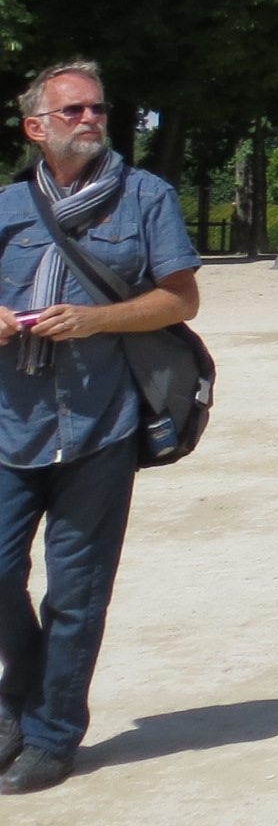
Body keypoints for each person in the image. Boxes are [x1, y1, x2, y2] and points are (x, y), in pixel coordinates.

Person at [0, 61, 202, 791]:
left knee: (76, 592)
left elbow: (181, 300)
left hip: (100, 424)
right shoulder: (6, 206)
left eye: (98, 109)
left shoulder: (147, 196)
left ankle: (52, 734)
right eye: (73, 110)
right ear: (36, 127)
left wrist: (96, 319)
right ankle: (21, 696)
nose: (90, 119)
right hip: (9, 424)